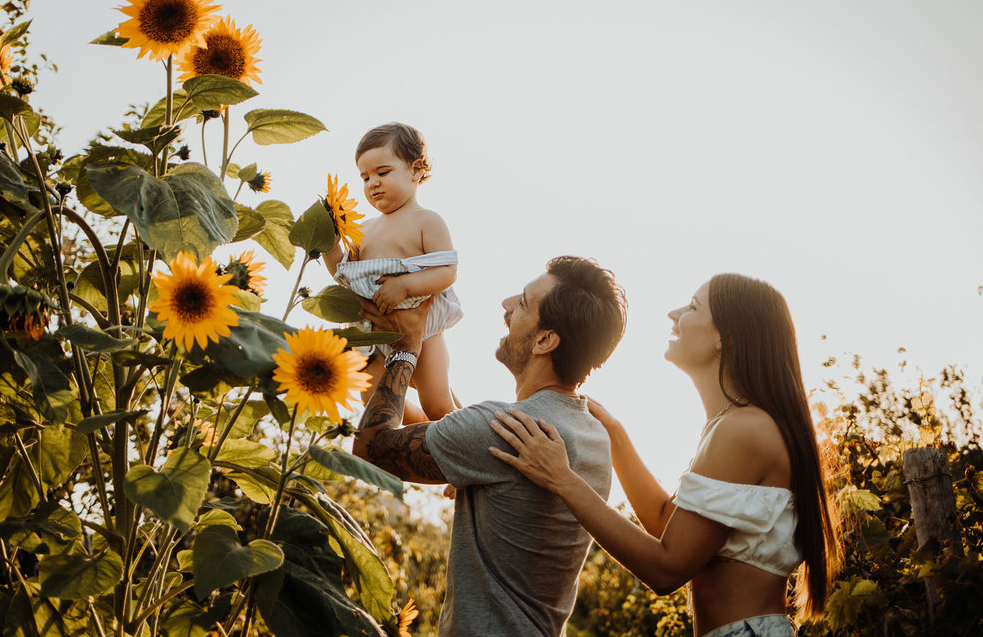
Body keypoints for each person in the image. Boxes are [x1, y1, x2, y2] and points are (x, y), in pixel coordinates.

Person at [489, 274, 841, 637]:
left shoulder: (742, 429)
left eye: (692, 306)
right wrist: (615, 436)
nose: (674, 314)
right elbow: (666, 523)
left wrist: (563, 479)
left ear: (725, 338)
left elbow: (667, 569)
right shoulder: (734, 425)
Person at [353, 256, 627, 636]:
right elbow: (460, 428)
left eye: (525, 303)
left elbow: (371, 449)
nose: (507, 304)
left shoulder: (505, 428)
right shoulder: (590, 434)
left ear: (545, 340)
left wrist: (404, 351)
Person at [324, 123, 461, 422]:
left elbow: (447, 271)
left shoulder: (426, 220)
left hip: (423, 329)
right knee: (372, 400)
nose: (373, 183)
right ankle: (423, 428)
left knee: (438, 403)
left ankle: (464, 434)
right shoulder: (365, 229)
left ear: (415, 170)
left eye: (382, 173)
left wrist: (406, 286)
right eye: (365, 177)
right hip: (374, 332)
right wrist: (329, 245)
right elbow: (343, 274)